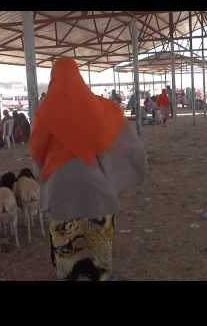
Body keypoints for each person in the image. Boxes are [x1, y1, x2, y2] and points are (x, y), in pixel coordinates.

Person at [29, 58, 145, 281]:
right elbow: (113, 143)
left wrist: (45, 179)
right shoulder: (97, 107)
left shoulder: (45, 111)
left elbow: (37, 152)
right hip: (96, 189)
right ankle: (102, 275)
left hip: (59, 190)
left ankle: (67, 275)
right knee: (98, 249)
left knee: (66, 250)